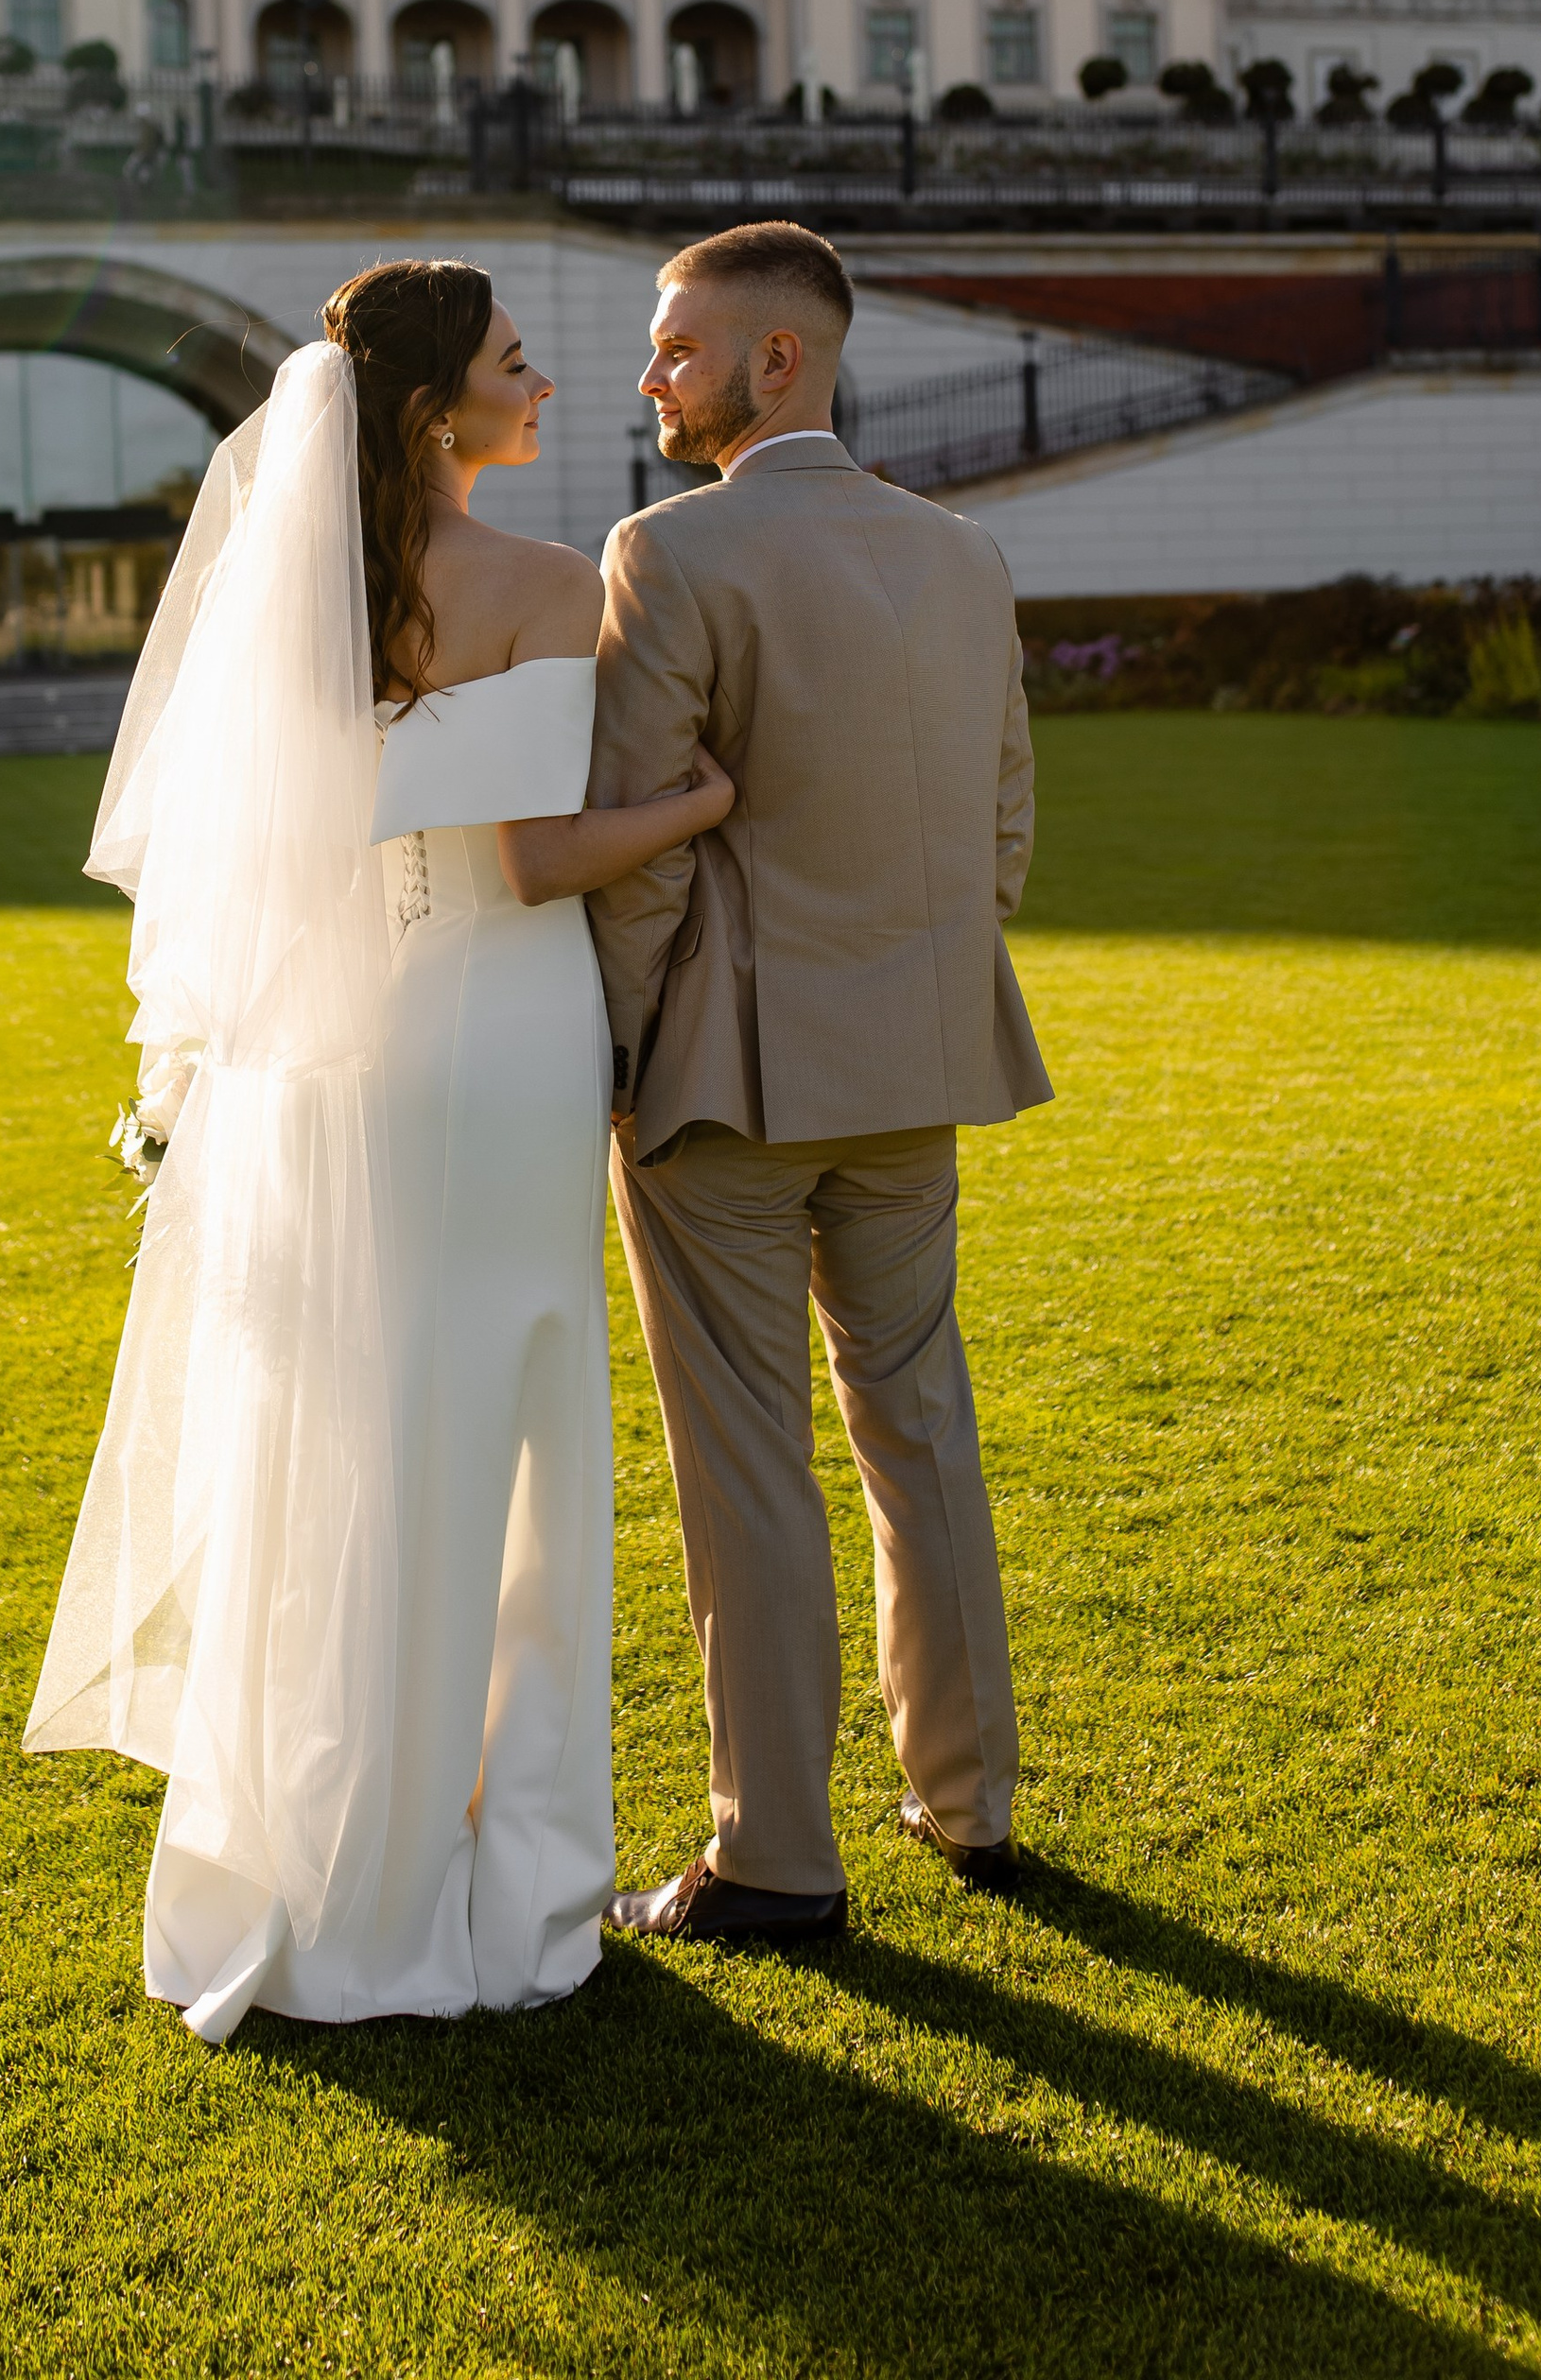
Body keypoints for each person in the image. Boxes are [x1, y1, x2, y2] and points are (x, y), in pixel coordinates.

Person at [25, 260, 733, 2041]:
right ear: (435, 411)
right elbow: (533, 859)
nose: (545, 384)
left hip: (339, 1053)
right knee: (503, 1428)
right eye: (515, 363)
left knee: (355, 1429)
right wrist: (707, 799)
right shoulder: (542, 585)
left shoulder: (306, 593)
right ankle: (505, 1876)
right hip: (492, 1037)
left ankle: (337, 1850)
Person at [588, 221, 1049, 1946]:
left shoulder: (667, 552)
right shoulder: (963, 555)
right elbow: (1002, 829)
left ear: (780, 361)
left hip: (718, 1089)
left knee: (750, 1471)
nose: (652, 374)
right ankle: (970, 1800)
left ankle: (775, 1858)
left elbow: (635, 857)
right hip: (915, 1072)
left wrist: (621, 1059)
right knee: (919, 1429)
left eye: (678, 346)